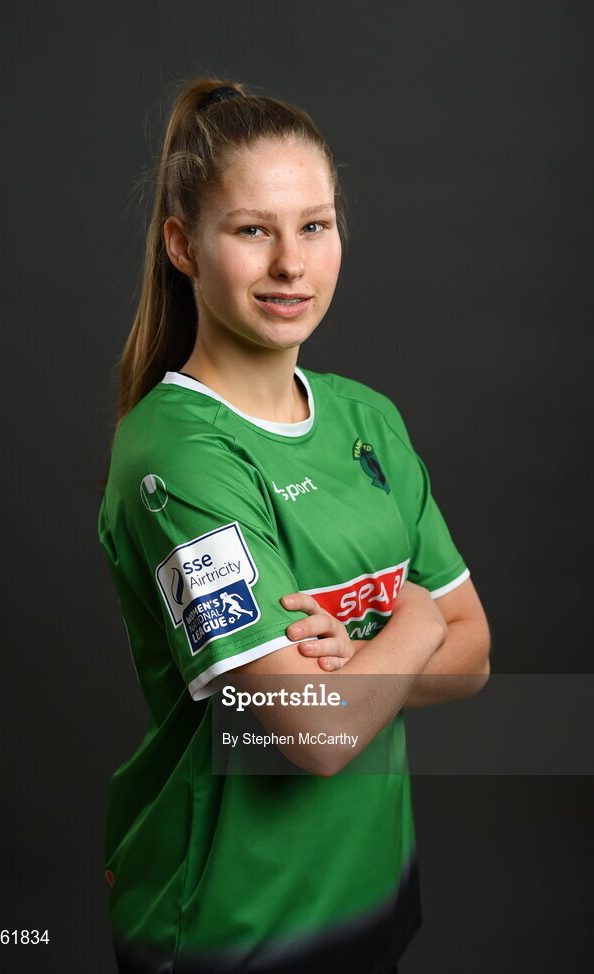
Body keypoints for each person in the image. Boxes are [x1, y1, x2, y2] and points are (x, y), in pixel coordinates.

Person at [97, 77, 491, 974]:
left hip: (367, 889)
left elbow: (477, 660)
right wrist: (415, 619)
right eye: (252, 230)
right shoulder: (176, 456)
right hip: (235, 922)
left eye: (314, 225)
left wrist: (363, 669)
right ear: (182, 246)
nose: (291, 264)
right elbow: (314, 733)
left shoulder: (367, 421)